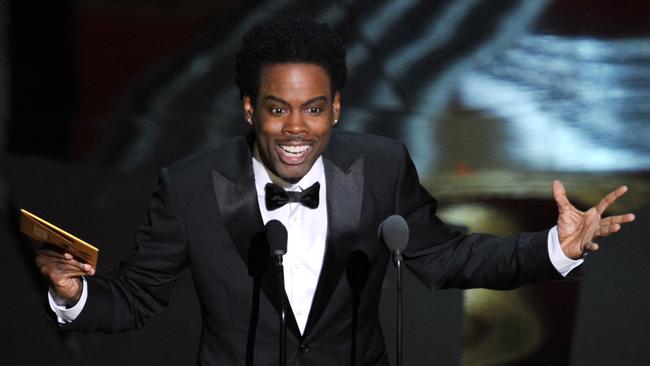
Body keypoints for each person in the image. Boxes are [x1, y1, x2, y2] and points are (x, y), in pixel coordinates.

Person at [35, 15, 635, 366]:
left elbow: (445, 257)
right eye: (278, 109)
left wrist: (555, 248)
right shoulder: (191, 185)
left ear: (337, 109)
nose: (296, 127)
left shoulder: (379, 168)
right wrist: (75, 297)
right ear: (249, 109)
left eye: (314, 109)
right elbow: (138, 296)